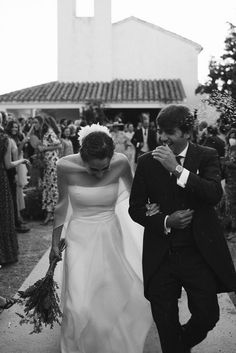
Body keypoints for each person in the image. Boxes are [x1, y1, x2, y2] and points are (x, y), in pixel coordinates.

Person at [129, 104, 236, 353]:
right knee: (165, 323)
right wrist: (165, 220)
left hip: (197, 254)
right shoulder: (146, 162)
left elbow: (212, 194)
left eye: (170, 132)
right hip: (161, 255)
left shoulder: (206, 154)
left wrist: (177, 169)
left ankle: (179, 346)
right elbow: (135, 208)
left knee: (208, 315)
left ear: (187, 132)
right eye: (160, 131)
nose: (163, 138)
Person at [49, 124, 158, 353]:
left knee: (109, 292)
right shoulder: (64, 166)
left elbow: (136, 197)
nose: (100, 174)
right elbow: (62, 205)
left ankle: (105, 340)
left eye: (104, 168)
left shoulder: (120, 163)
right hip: (79, 236)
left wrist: (157, 215)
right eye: (93, 169)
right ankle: (78, 343)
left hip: (110, 233)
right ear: (82, 157)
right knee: (78, 301)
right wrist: (53, 244)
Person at [0, 123, 30, 266]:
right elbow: (7, 165)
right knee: (4, 215)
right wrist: (22, 161)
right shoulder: (4, 139)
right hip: (1, 180)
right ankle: (5, 254)